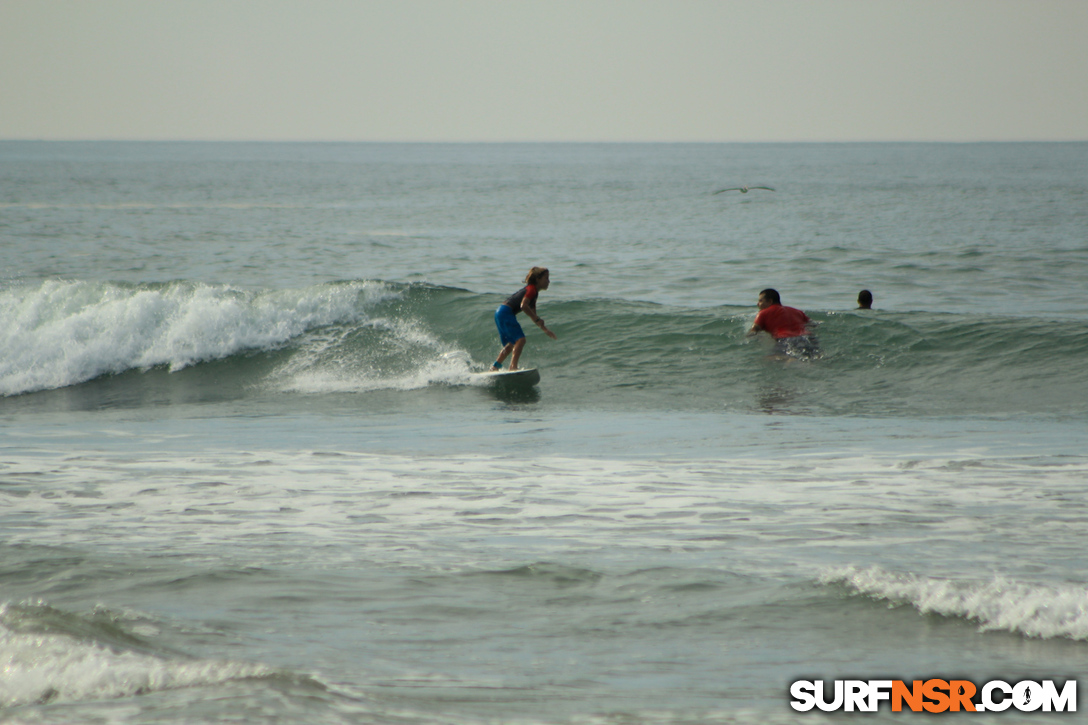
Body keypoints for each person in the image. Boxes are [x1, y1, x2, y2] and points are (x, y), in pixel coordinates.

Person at [492, 266, 557, 371]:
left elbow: (534, 315)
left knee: (512, 344)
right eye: (546, 278)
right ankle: (513, 367)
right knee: (520, 340)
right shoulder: (531, 290)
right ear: (538, 279)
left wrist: (545, 329)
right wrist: (536, 319)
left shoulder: (533, 294)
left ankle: (495, 367)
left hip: (500, 312)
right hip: (506, 312)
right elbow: (523, 306)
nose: (548, 281)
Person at [747, 288, 820, 359]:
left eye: (760, 301)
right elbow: (813, 325)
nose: (758, 304)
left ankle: (792, 361)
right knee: (813, 358)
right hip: (807, 338)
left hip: (785, 340)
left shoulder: (763, 313)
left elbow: (754, 331)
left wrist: (747, 339)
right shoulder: (797, 311)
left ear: (770, 301)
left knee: (769, 359)